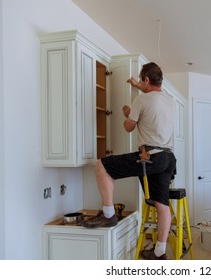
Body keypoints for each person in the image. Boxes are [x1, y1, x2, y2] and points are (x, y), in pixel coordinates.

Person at [82, 62, 176, 260]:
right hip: (168, 157)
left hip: (150, 157)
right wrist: (137, 85)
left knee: (102, 165)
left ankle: (108, 214)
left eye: (142, 80)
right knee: (162, 204)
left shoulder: (142, 101)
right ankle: (159, 252)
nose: (140, 83)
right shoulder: (169, 99)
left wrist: (128, 114)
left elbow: (128, 127)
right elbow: (152, 104)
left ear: (147, 80)